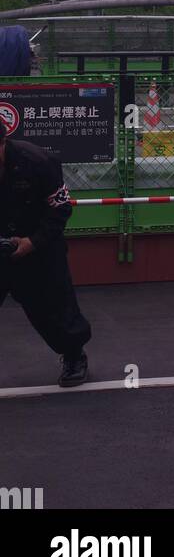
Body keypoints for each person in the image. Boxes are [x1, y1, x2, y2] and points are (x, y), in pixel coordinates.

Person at [0, 113, 91, 387]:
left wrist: (33, 242)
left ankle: (74, 356)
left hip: (38, 246)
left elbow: (61, 209)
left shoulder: (38, 161)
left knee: (52, 307)